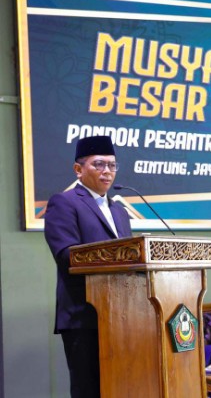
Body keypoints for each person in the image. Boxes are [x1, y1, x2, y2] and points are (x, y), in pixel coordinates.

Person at [44, 135, 132, 398]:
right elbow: (66, 255)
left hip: (122, 316)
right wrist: (115, 259)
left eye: (112, 165)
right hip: (84, 316)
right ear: (78, 169)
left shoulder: (120, 211)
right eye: (99, 164)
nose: (107, 171)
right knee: (89, 390)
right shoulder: (64, 202)